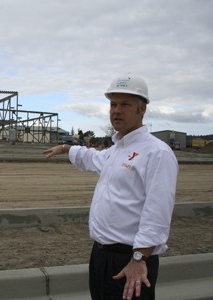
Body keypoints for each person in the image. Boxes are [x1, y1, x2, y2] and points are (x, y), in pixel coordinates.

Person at [43, 74, 178, 300]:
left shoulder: (157, 152)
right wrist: (67, 148)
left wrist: (138, 259)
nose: (116, 110)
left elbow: (158, 213)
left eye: (125, 105)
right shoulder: (117, 150)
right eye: (113, 104)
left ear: (141, 109)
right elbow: (93, 158)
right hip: (101, 256)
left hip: (130, 259)